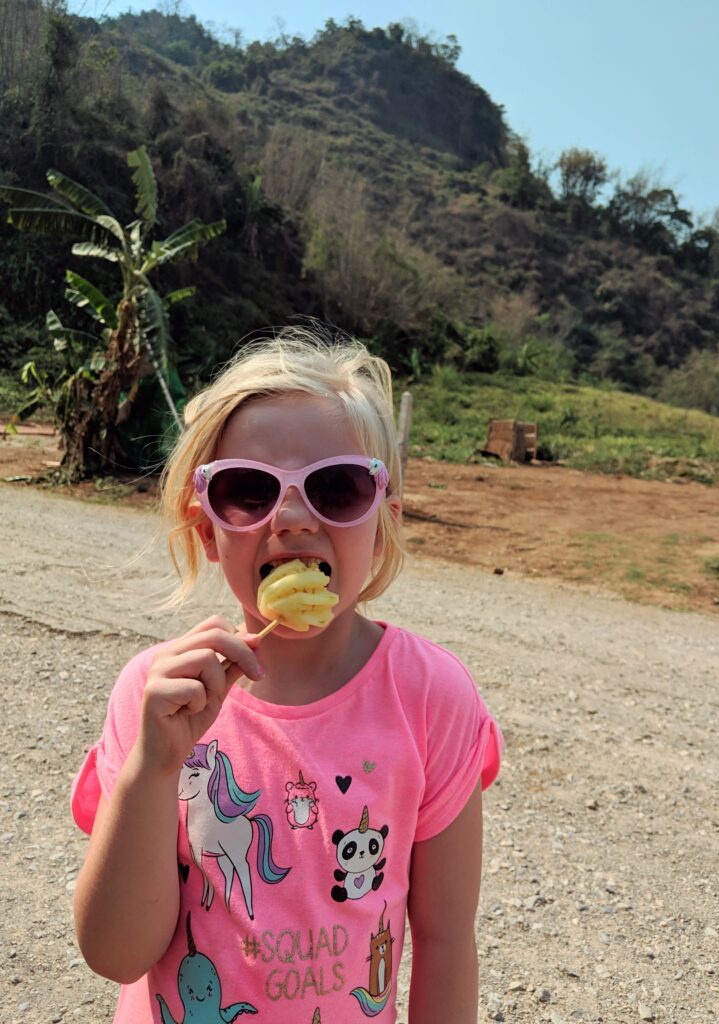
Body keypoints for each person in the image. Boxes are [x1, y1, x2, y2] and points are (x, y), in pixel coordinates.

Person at [71, 326, 502, 1024]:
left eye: (337, 487)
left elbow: (447, 940)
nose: (294, 517)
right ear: (208, 531)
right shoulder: (158, 698)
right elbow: (117, 955)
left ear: (382, 525)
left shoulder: (432, 697)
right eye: (249, 491)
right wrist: (153, 769)